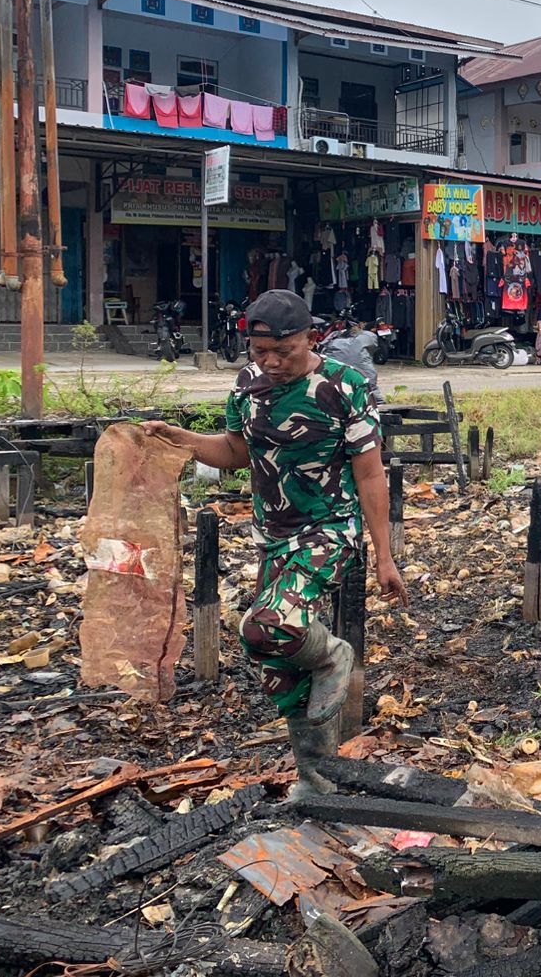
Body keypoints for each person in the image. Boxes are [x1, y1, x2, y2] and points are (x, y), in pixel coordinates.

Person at [143, 290, 406, 801]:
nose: (270, 362)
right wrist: (178, 437)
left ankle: (332, 656)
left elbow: (370, 474)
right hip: (274, 536)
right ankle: (317, 779)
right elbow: (235, 451)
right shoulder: (248, 384)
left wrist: (384, 555)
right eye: (260, 351)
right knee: (274, 665)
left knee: (267, 625)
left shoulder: (344, 385)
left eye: (283, 351)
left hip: (329, 530)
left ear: (310, 338)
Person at [318, 317, 384, 404]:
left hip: (336, 382)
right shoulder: (368, 336)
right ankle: (376, 400)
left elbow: (322, 348)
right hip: (364, 378)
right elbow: (372, 349)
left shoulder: (333, 337)